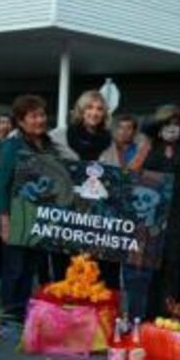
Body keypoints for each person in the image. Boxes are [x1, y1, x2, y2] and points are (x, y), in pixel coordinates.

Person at [126, 105, 180, 319]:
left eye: (176, 124)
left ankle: (166, 314)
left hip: (177, 216)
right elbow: (131, 173)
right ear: (159, 127)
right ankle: (144, 316)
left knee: (172, 264)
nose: (172, 128)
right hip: (149, 216)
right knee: (148, 266)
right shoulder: (149, 146)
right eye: (167, 124)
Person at [0, 95, 60, 323]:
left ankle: (22, 311)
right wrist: (4, 222)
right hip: (17, 217)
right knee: (15, 268)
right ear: (21, 121)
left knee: (30, 267)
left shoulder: (49, 145)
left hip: (41, 218)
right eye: (33, 116)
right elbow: (2, 186)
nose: (40, 120)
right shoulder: (12, 146)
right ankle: (8, 314)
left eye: (42, 115)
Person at [51, 90, 115, 287]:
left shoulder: (110, 142)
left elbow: (116, 176)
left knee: (92, 272)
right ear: (81, 110)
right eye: (89, 107)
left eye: (99, 109)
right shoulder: (58, 136)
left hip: (95, 219)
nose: (94, 113)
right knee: (63, 272)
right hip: (64, 215)